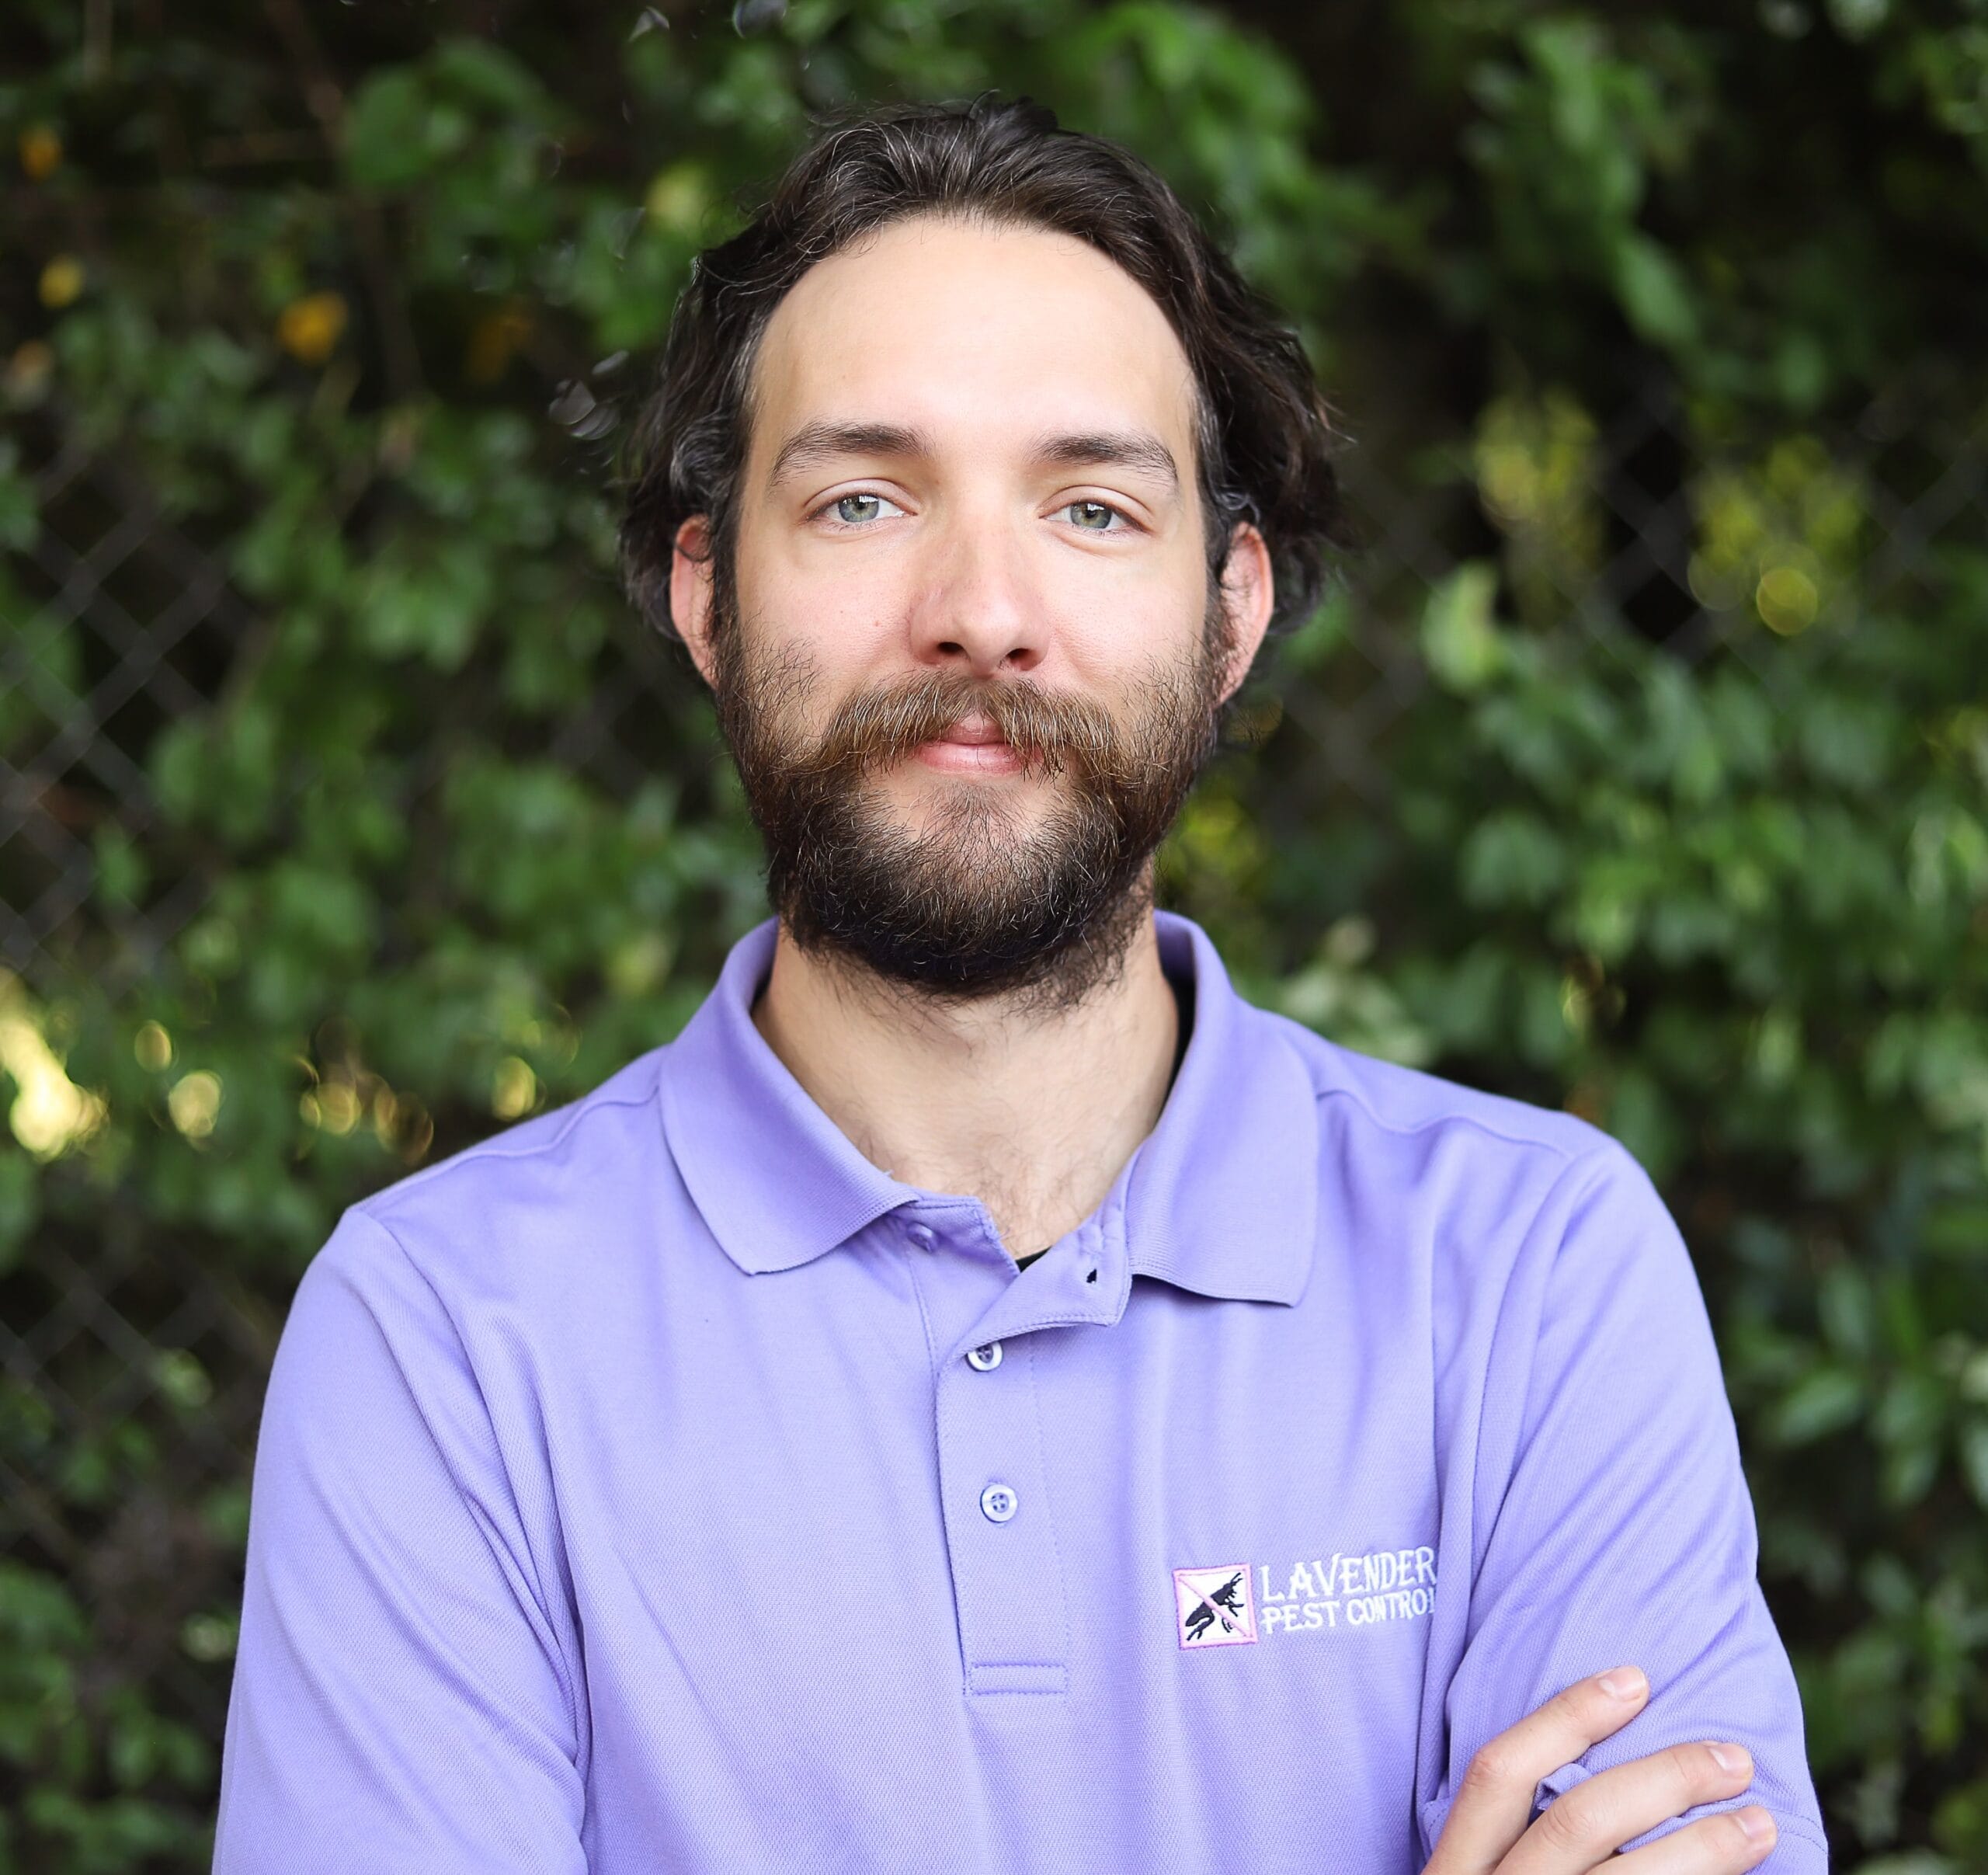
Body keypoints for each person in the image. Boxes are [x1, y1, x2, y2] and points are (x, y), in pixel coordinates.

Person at [212, 98, 1829, 1873]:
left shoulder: (1532, 1274)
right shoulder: (444, 1340)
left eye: (1085, 506)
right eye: (858, 497)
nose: (980, 609)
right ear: (707, 600)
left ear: (1229, 614)